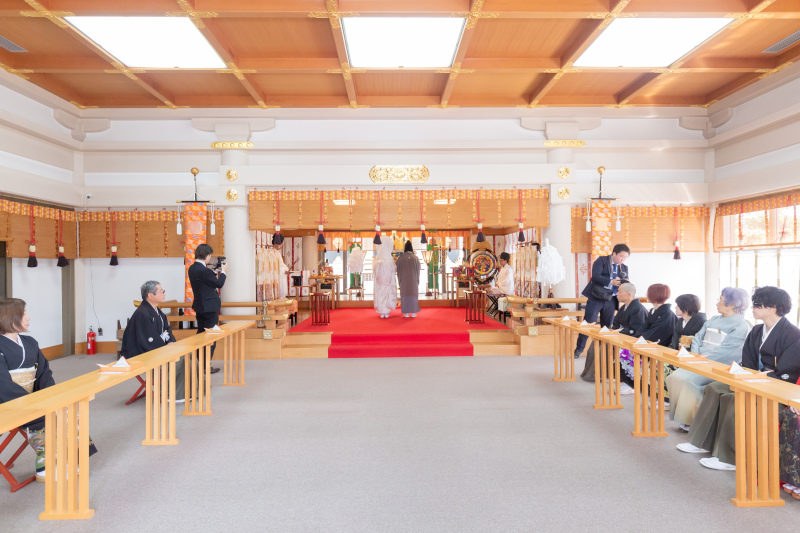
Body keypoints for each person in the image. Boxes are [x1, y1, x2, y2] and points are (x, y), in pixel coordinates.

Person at [677, 286, 800, 471]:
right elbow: (748, 359)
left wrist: (760, 378)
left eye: (758, 304)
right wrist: (748, 375)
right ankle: (700, 441)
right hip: (754, 379)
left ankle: (730, 458)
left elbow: (788, 370)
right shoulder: (757, 330)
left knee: (735, 399)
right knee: (715, 388)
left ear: (773, 307)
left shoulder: (792, 334)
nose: (753, 307)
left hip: (776, 385)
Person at [0, 298, 96, 482]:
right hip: (8, 401)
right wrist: (33, 403)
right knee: (47, 415)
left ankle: (67, 457)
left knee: (66, 407)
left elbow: (44, 373)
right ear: (10, 318)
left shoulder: (30, 342)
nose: (28, 317)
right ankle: (45, 465)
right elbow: (3, 384)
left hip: (32, 399)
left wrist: (49, 396)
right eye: (24, 313)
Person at [666, 287, 750, 431]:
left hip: (718, 364)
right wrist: (696, 354)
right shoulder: (714, 319)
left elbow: (727, 351)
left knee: (687, 380)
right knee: (674, 377)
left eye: (721, 300)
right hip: (700, 360)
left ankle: (695, 421)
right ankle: (686, 417)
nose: (717, 303)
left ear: (731, 304)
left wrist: (701, 355)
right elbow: (698, 337)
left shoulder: (742, 325)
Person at [121, 281, 185, 401]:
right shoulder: (142, 313)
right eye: (161, 291)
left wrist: (171, 342)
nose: (164, 294)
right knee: (178, 358)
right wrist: (167, 350)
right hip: (140, 353)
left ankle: (190, 389)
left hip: (155, 349)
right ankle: (170, 393)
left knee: (188, 355)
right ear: (150, 295)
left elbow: (168, 330)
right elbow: (147, 340)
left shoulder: (158, 312)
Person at [581, 282, 646, 384]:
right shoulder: (623, 307)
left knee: (605, 345)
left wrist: (617, 333)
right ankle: (594, 373)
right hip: (620, 336)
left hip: (631, 339)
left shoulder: (638, 309)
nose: (617, 294)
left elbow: (636, 330)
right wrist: (611, 332)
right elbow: (615, 324)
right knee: (596, 342)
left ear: (629, 294)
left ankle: (606, 373)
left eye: (619, 292)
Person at [575, 244, 630, 359]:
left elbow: (626, 282)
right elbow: (595, 276)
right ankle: (579, 349)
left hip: (611, 299)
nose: (623, 259)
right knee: (588, 323)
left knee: (607, 325)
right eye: (621, 256)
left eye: (625, 257)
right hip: (596, 297)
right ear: (614, 253)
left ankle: (603, 351)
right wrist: (611, 282)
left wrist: (625, 283)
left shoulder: (624, 268)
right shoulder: (602, 261)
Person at [188, 243, 226, 374]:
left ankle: (199, 364)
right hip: (210, 307)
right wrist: (224, 272)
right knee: (211, 337)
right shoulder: (204, 271)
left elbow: (205, 283)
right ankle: (205, 366)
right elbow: (219, 283)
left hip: (200, 306)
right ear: (207, 255)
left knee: (201, 335)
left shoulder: (192, 268)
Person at [395, 240, 421, 318]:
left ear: (405, 249)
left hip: (404, 280)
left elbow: (398, 270)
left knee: (405, 295)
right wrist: (417, 280)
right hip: (413, 280)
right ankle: (413, 312)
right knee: (413, 295)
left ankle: (406, 312)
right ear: (411, 248)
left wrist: (400, 280)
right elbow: (418, 270)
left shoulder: (400, 258)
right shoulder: (415, 258)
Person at [373, 241, 397, 318]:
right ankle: (386, 312)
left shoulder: (377, 258)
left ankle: (382, 312)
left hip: (379, 281)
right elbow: (393, 269)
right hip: (387, 280)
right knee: (387, 295)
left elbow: (374, 269)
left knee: (380, 295)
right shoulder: (389, 258)